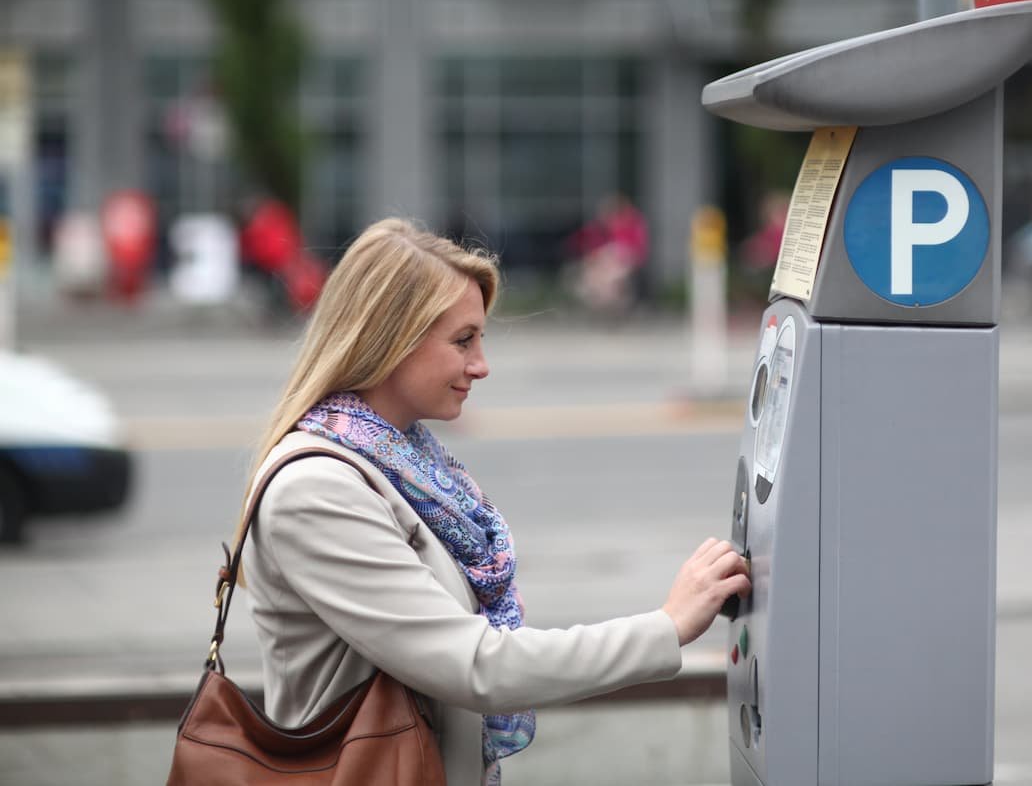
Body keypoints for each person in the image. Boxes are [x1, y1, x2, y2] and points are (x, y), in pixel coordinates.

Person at [239, 218, 750, 786]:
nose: (481, 365)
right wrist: (667, 626)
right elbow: (476, 664)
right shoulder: (316, 491)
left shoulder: (404, 464)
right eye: (463, 341)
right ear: (389, 336)